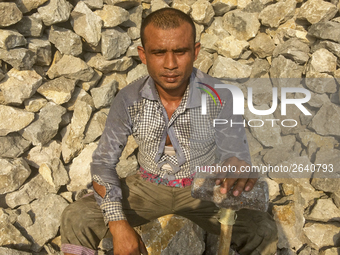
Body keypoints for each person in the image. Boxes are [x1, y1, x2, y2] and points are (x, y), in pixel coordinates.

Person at [61, 8, 278, 255]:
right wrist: (118, 223)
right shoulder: (128, 100)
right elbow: (103, 163)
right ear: (143, 55)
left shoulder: (221, 96)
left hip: (204, 189)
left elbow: (234, 153)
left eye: (180, 51)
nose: (171, 64)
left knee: (261, 229)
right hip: (147, 187)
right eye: (159, 52)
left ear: (195, 52)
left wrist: (235, 167)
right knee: (77, 217)